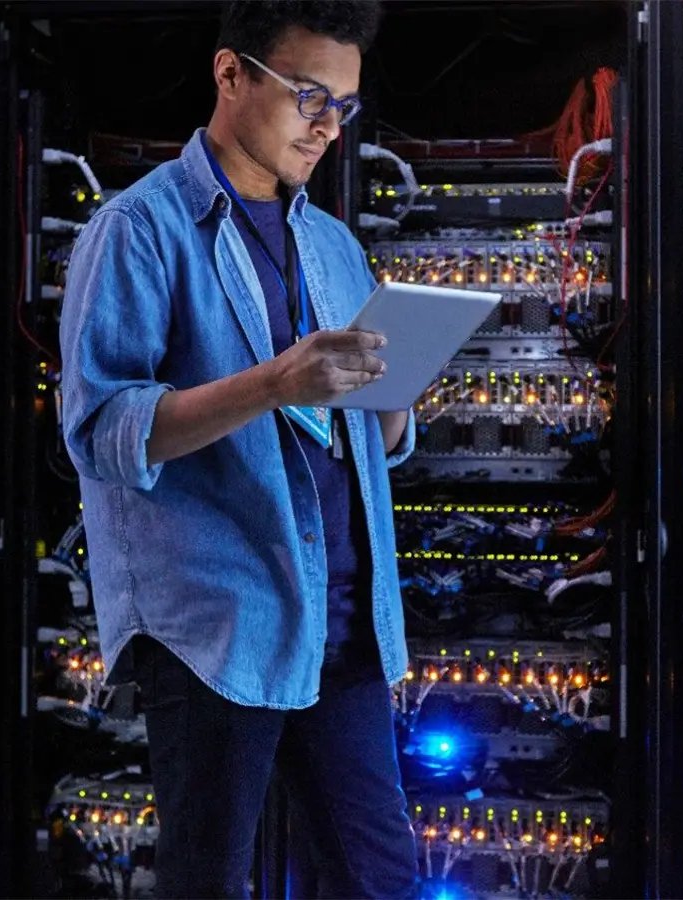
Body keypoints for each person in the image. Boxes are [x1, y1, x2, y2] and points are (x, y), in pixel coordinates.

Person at [58, 2, 418, 897]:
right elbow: (101, 432)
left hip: (343, 625)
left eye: (344, 106)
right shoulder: (139, 230)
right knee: (211, 881)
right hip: (221, 631)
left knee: (381, 880)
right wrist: (275, 384)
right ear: (231, 75)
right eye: (308, 97)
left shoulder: (332, 246)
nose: (328, 126)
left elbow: (372, 443)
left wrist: (395, 400)